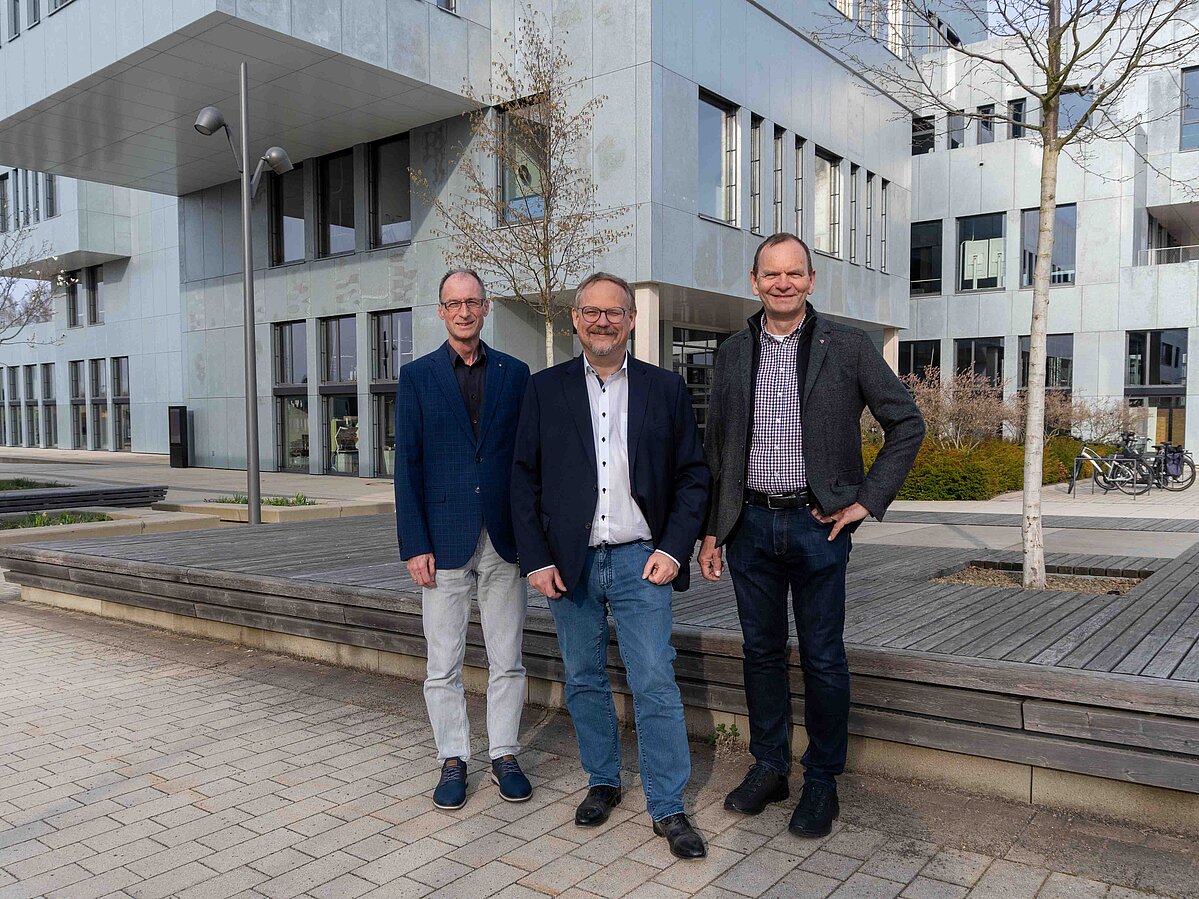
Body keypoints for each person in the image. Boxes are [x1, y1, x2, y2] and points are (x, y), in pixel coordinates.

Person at [698, 233, 924, 838]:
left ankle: (822, 779)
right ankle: (769, 766)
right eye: (771, 274)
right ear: (754, 281)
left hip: (817, 526)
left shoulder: (846, 346)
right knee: (760, 653)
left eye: (794, 273)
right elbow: (718, 446)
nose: (782, 283)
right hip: (748, 526)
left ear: (811, 280)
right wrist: (712, 531)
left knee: (824, 657)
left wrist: (865, 501)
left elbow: (907, 422)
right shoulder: (732, 352)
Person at [511, 272, 711, 859]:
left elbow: (693, 476)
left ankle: (669, 806)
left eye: (614, 312)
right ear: (575, 319)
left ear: (630, 320)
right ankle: (603, 780)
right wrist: (536, 559)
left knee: (654, 679)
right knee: (584, 678)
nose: (602, 321)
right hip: (567, 565)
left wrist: (674, 549)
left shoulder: (665, 389)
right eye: (591, 312)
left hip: (642, 559)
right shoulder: (544, 390)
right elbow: (522, 480)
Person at [395, 269, 533, 810]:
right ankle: (453, 758)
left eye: (472, 302)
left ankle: (504, 753)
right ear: (440, 310)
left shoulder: (515, 374)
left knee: (508, 657)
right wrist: (414, 543)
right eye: (453, 303)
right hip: (443, 542)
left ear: (486, 306)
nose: (464, 311)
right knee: (443, 662)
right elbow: (407, 466)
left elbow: (526, 462)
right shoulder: (417, 377)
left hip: (503, 539)